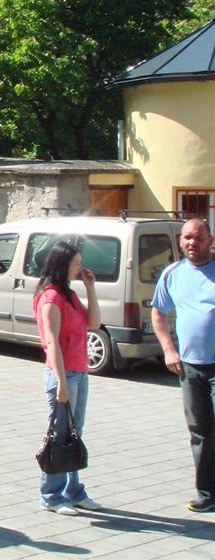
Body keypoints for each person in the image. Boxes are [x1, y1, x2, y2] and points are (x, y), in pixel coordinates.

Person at [32, 240, 102, 515]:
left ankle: (73, 491)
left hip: (80, 371)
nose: (80, 268)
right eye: (76, 264)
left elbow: (94, 323)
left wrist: (90, 288)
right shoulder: (50, 298)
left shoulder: (69, 294)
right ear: (62, 265)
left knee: (75, 433)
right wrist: (61, 383)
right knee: (59, 435)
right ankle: (50, 494)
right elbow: (52, 344)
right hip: (62, 374)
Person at [151, 218, 215, 513]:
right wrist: (168, 350)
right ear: (180, 241)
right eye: (187, 238)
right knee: (199, 430)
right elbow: (158, 314)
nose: (192, 242)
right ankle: (206, 493)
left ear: (210, 240)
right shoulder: (173, 274)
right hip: (189, 368)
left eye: (198, 237)